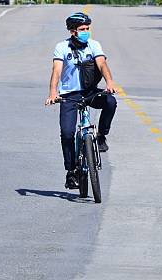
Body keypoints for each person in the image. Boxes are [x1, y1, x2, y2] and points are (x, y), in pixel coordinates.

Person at [44, 12, 117, 190]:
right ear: (73, 32)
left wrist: (109, 82)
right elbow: (56, 71)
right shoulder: (62, 47)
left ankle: (100, 137)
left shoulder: (94, 45)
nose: (86, 32)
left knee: (110, 102)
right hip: (69, 95)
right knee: (67, 133)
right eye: (82, 29)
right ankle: (71, 171)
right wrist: (53, 93)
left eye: (87, 29)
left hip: (90, 92)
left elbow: (102, 64)